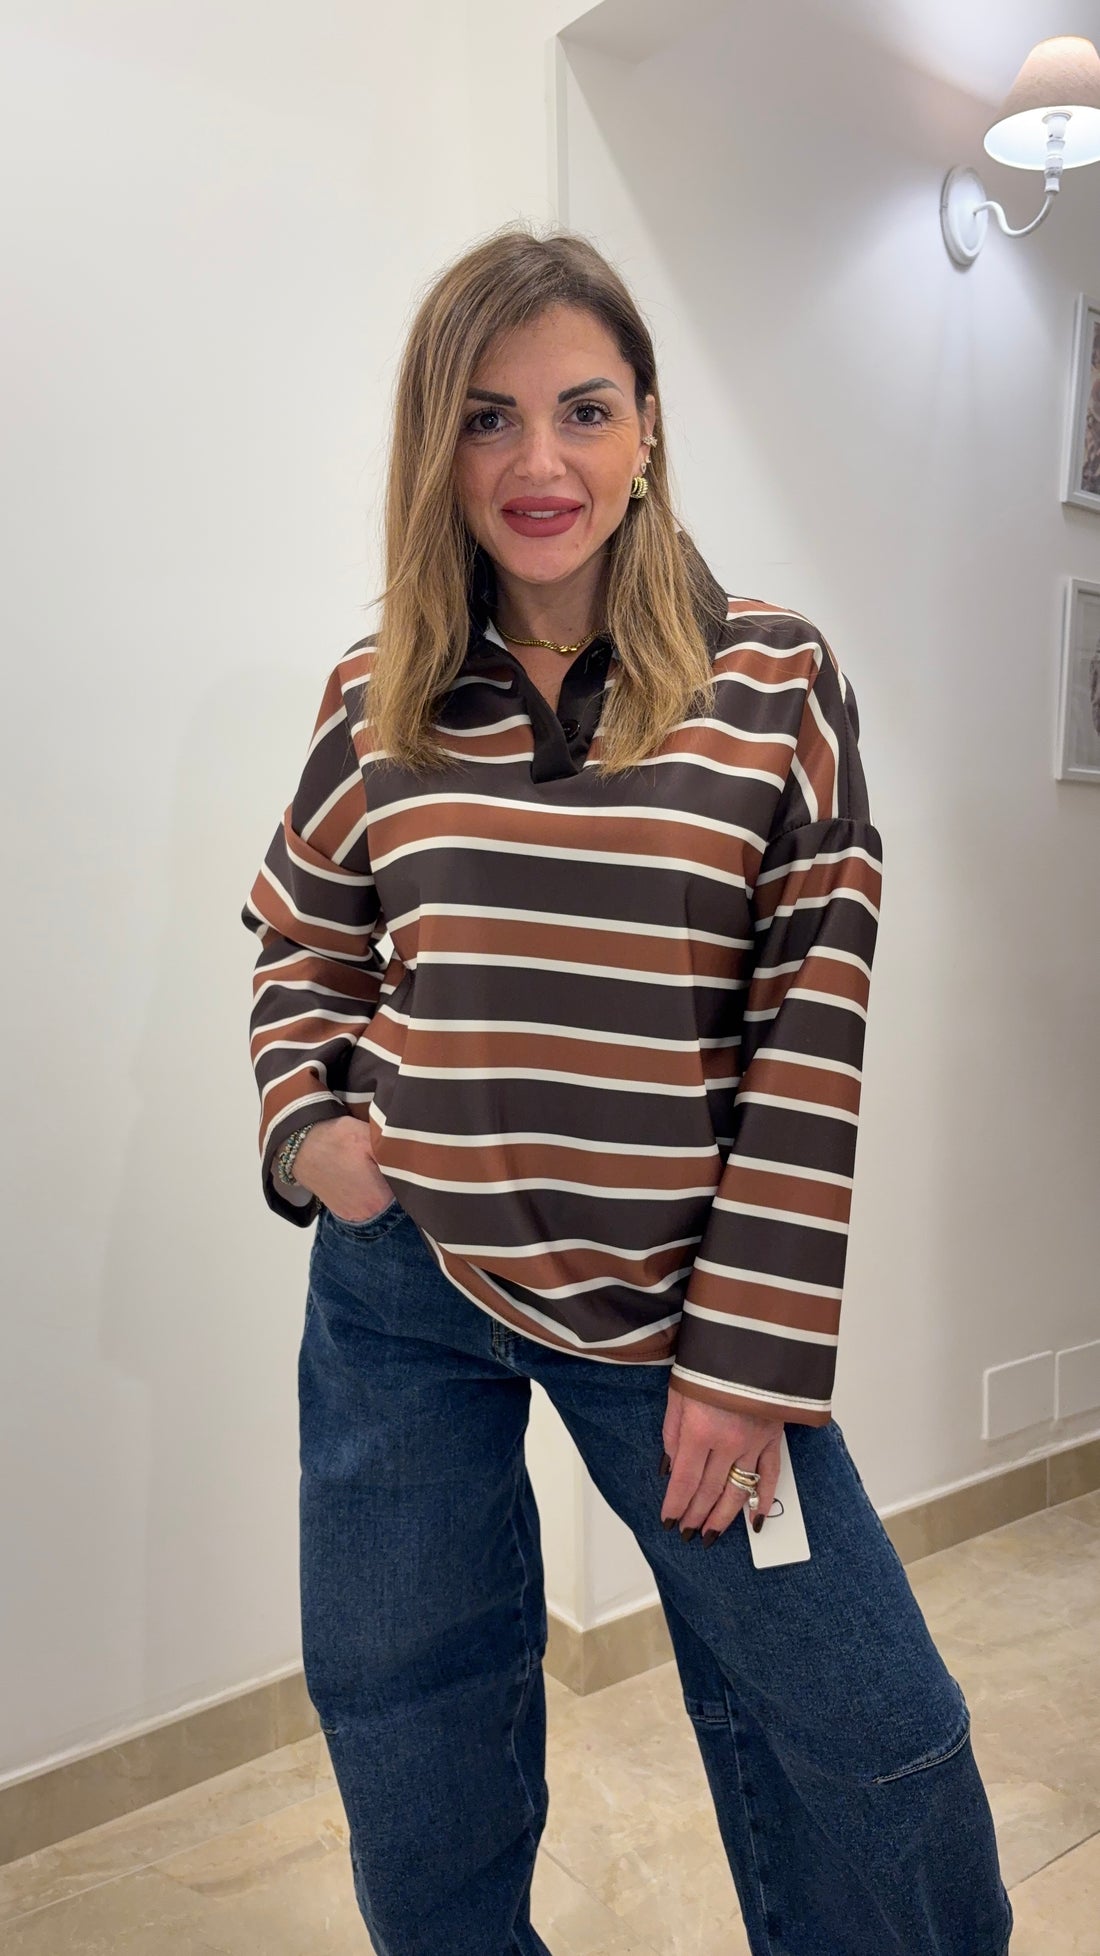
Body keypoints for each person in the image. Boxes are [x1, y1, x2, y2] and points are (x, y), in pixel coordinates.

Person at [241, 223, 1013, 1956]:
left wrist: (747, 1358)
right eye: (488, 417)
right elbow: (301, 938)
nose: (540, 461)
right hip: (403, 1292)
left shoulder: (772, 677)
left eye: (583, 410)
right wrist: (314, 1135)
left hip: (678, 1315)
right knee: (410, 1720)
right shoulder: (378, 692)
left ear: (648, 427)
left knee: (875, 1745)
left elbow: (813, 1020)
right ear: (438, 448)